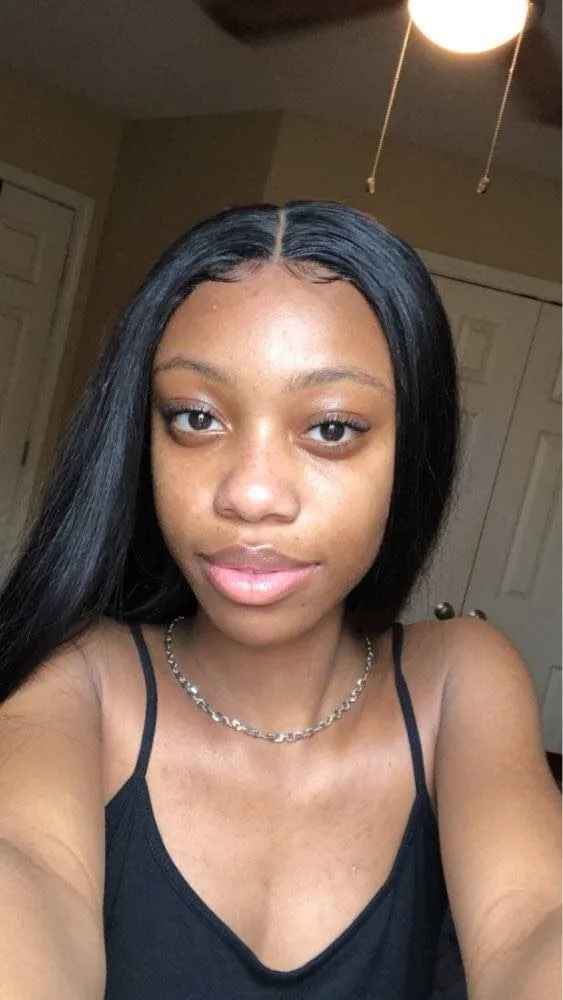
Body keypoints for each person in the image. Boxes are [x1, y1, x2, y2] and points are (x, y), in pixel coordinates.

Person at [0, 201, 560, 1000]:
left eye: (331, 429)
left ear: (411, 450)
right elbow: (23, 868)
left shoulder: (457, 680)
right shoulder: (79, 674)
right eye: (195, 417)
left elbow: (534, 917)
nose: (251, 494)